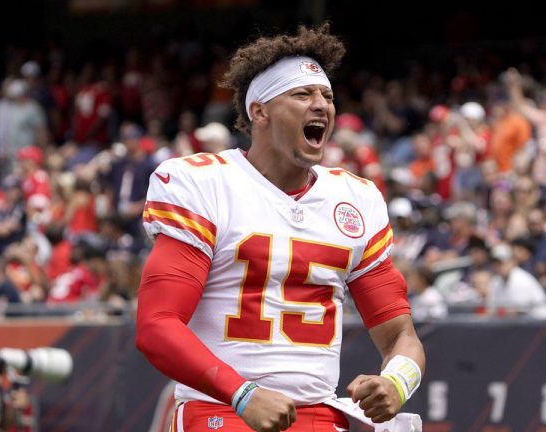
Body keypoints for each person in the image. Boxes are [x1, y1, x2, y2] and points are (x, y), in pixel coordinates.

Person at [135, 23, 425, 432]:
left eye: (327, 95)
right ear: (260, 111)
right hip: (221, 410)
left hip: (321, 415)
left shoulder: (355, 198)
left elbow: (401, 335)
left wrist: (396, 383)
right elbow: (156, 325)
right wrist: (242, 393)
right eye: (302, 94)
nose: (321, 104)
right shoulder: (205, 184)